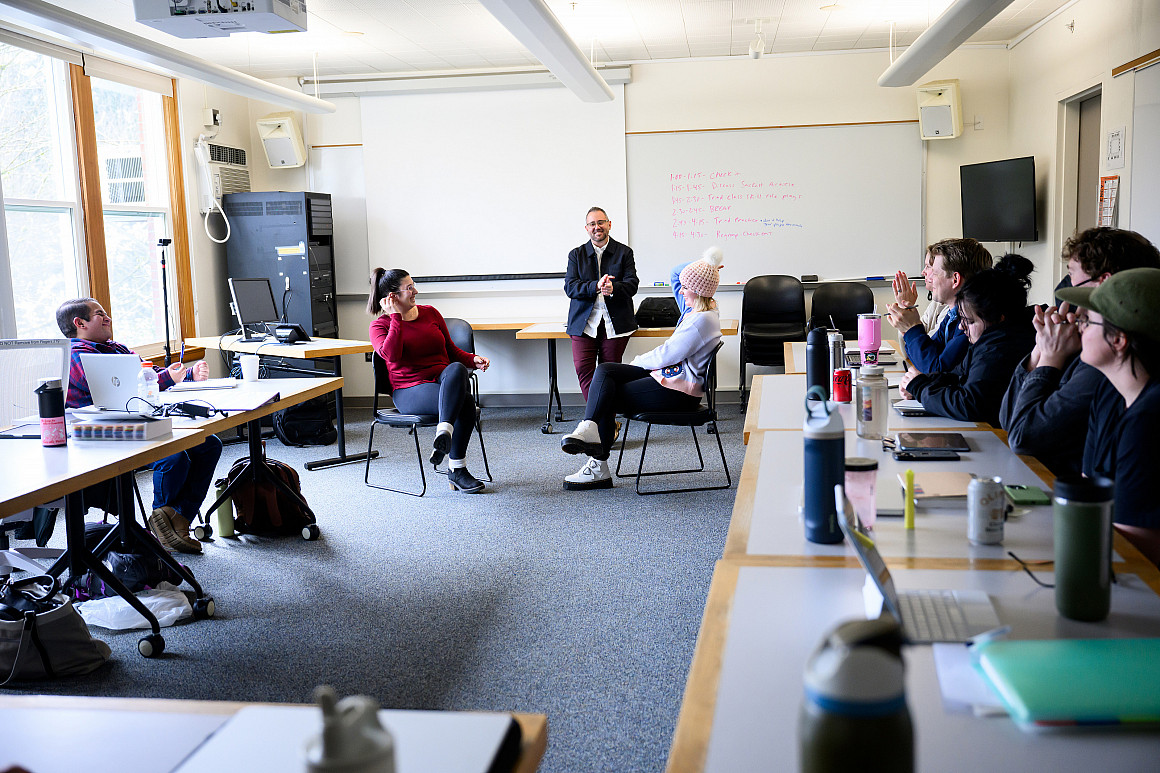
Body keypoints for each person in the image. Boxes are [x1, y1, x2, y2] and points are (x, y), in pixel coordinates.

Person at [56, 297, 219, 554]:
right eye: (99, 314)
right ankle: (165, 526)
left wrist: (187, 374)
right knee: (175, 458)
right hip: (103, 434)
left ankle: (174, 518)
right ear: (80, 323)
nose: (108, 317)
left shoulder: (116, 348)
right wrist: (166, 377)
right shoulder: (77, 356)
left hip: (137, 423)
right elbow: (122, 386)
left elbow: (148, 371)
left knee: (208, 444)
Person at [999, 228, 1160, 477]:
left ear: (1103, 283)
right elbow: (1008, 420)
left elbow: (1022, 437)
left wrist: (1050, 359)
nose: (1078, 318)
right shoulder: (1085, 345)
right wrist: (1039, 352)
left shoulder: (1105, 362)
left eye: (1073, 276)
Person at [560, 258, 722, 490]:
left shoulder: (701, 320)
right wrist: (708, 263)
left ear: (697, 290)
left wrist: (636, 363)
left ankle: (597, 464)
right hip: (669, 381)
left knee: (607, 392)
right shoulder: (697, 309)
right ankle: (589, 428)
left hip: (678, 392)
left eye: (686, 287)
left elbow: (667, 355)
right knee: (605, 371)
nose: (681, 290)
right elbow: (677, 272)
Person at [1057, 267, 1160, 565]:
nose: (1077, 325)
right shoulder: (1110, 393)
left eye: (1088, 320)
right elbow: (1088, 492)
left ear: (1118, 340)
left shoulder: (1149, 419)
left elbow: (1137, 550)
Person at [367, 268, 490, 494]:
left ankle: (444, 433)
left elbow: (452, 351)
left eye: (413, 285)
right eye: (409, 287)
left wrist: (473, 359)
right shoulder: (380, 326)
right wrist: (396, 317)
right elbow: (391, 355)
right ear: (392, 297)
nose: (416, 291)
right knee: (465, 404)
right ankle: (457, 470)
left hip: (443, 382)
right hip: (410, 390)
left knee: (456, 369)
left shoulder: (431, 313)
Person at [899, 256, 1036, 426]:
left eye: (970, 322)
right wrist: (923, 383)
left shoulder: (999, 348)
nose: (962, 328)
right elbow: (956, 375)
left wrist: (920, 387)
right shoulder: (986, 339)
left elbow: (970, 404)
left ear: (999, 319)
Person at [886, 238, 993, 374]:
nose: (930, 278)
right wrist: (907, 329)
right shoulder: (952, 315)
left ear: (955, 280)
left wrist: (912, 328)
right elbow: (926, 357)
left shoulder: (972, 322)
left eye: (935, 273)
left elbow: (936, 370)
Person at [565, 207, 639, 401]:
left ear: (609, 224)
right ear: (586, 228)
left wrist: (614, 288)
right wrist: (595, 286)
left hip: (615, 324)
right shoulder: (576, 255)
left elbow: (632, 285)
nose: (597, 227)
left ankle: (605, 420)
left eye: (601, 222)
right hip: (583, 324)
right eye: (592, 224)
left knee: (609, 373)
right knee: (583, 370)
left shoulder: (624, 252)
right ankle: (599, 419)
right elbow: (570, 287)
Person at [889, 248, 949, 338]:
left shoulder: (953, 310)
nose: (923, 272)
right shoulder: (936, 303)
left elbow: (925, 348)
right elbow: (912, 348)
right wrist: (906, 311)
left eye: (928, 266)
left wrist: (910, 325)